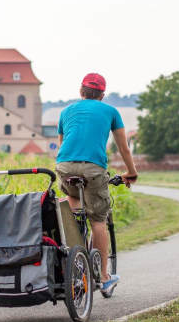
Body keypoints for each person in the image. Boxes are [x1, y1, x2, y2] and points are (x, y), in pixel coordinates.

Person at [55, 73, 138, 294]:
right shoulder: (111, 112)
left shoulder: (66, 112)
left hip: (64, 167)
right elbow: (124, 148)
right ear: (102, 94)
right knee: (98, 220)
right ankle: (102, 276)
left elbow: (63, 145)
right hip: (93, 169)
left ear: (81, 91)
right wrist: (131, 172)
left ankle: (73, 258)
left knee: (73, 199)